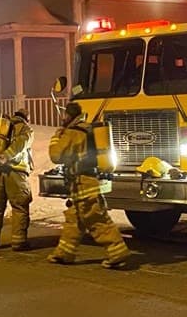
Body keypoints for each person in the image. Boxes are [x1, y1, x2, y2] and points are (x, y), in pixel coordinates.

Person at [47, 102, 130, 270]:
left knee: (96, 219)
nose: (62, 118)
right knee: (74, 219)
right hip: (83, 182)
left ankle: (116, 251)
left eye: (64, 115)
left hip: (84, 183)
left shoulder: (73, 133)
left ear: (69, 116)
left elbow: (55, 155)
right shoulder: (87, 129)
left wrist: (56, 137)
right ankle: (64, 253)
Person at [0, 110, 34, 251]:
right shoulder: (25, 129)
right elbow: (22, 144)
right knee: (20, 207)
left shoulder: (0, 129)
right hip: (16, 173)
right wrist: (7, 156)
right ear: (26, 119)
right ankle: (18, 242)